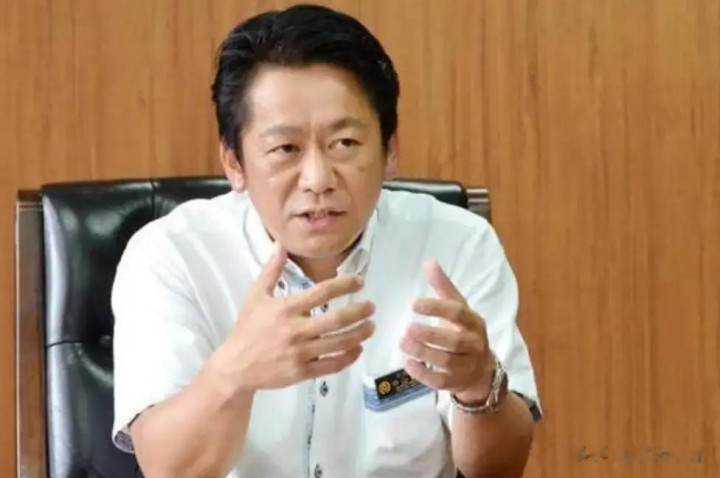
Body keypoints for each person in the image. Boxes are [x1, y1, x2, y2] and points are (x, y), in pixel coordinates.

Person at [111, 4, 541, 477]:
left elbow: (498, 469)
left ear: (390, 150)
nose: (318, 179)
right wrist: (233, 374)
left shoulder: (457, 244)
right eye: (285, 148)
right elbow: (167, 470)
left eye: (345, 144)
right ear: (234, 162)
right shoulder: (171, 256)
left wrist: (478, 386)